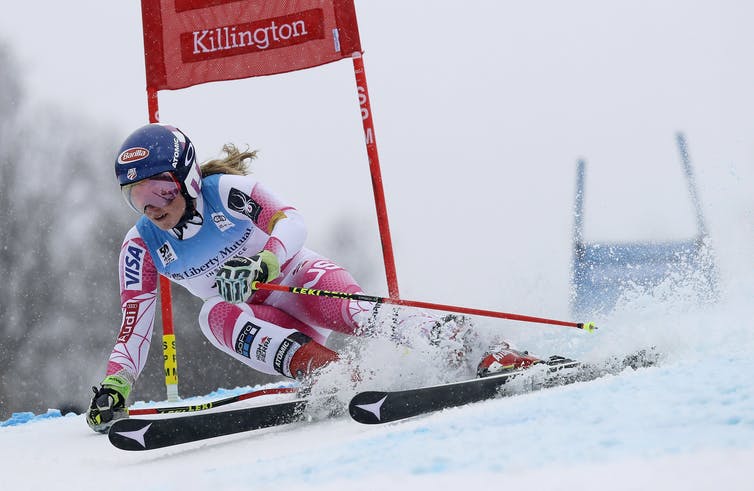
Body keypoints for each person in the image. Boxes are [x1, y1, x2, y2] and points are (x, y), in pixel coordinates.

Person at [86, 123, 543, 433]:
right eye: (137, 196)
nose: (153, 205)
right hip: (273, 325)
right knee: (213, 315)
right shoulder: (142, 244)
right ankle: (337, 376)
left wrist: (267, 259)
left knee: (360, 312)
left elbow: (292, 220)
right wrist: (116, 385)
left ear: (186, 178)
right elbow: (135, 321)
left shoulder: (224, 193)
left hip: (300, 281)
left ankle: (480, 348)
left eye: (161, 188)